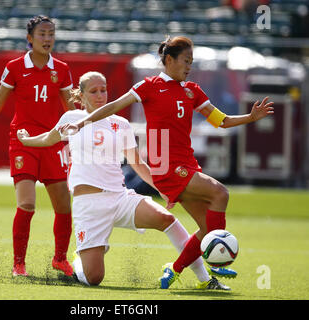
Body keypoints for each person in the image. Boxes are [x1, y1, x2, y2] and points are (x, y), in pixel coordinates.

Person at [59, 36, 274, 289]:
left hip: (187, 165)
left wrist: (251, 116)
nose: (189, 66)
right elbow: (115, 105)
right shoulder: (148, 86)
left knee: (205, 228)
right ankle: (216, 262)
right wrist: (83, 122)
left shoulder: (192, 90)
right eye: (186, 60)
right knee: (220, 193)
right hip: (167, 167)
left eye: (191, 62)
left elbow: (222, 121)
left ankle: (179, 270)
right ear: (169, 60)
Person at [17, 71, 230, 289]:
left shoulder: (120, 123)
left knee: (167, 220)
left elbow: (138, 164)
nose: (100, 95)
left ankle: (205, 280)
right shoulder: (72, 119)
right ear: (80, 96)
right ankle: (80, 259)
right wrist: (26, 140)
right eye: (93, 91)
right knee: (94, 278)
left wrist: (163, 190)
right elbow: (48, 138)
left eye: (103, 89)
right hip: (89, 206)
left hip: (120, 197)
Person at [0, 15, 76, 277]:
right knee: (27, 204)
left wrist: (85, 132)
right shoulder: (15, 67)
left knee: (64, 206)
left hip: (52, 141)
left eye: (51, 34)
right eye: (42, 34)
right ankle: (18, 264)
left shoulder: (62, 69)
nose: (47, 38)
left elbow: (70, 108)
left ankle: (60, 259)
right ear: (30, 38)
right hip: (23, 141)